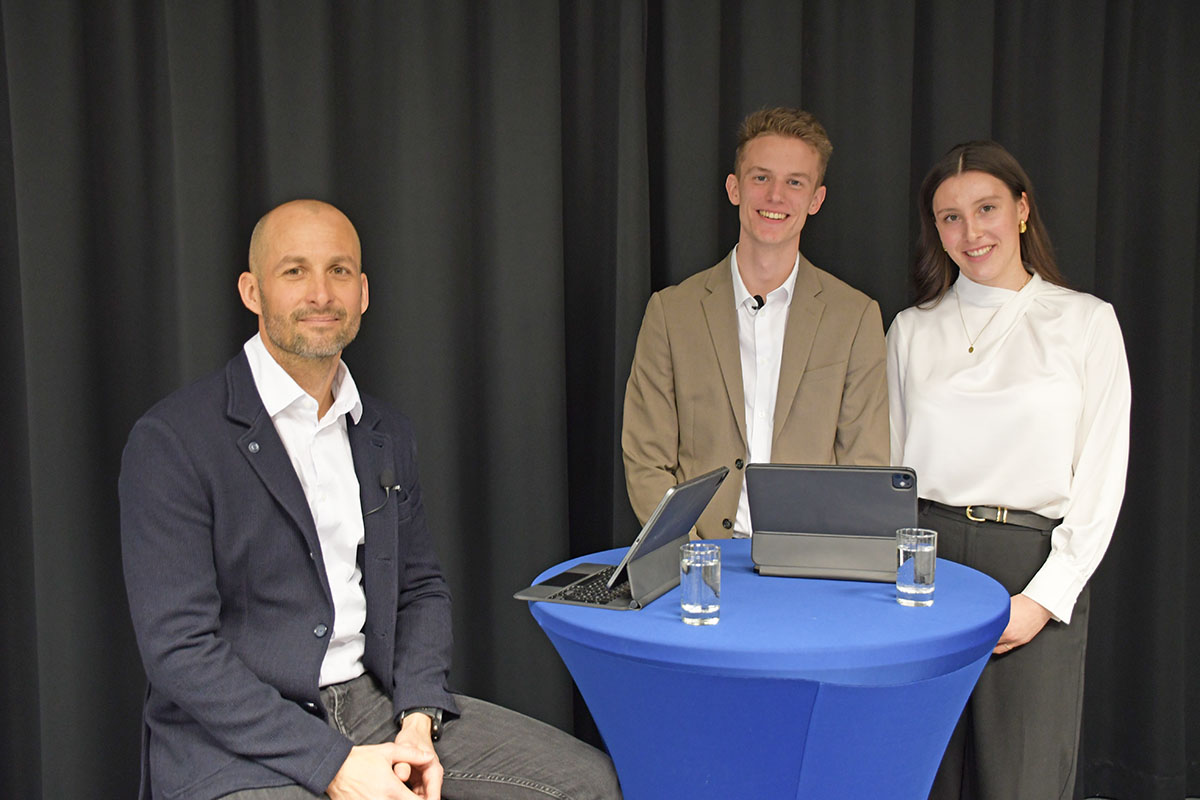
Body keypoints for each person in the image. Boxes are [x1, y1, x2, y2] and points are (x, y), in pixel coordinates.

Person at [120, 199, 622, 800]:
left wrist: (419, 718)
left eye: (338, 271)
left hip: (374, 705)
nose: (320, 294)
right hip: (233, 739)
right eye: (294, 271)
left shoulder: (385, 432)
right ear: (252, 292)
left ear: (362, 293)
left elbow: (420, 589)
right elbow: (179, 650)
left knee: (590, 785)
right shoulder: (173, 439)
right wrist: (333, 763)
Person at [886, 141, 1130, 799]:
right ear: (936, 230)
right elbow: (890, 471)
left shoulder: (1085, 322)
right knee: (923, 776)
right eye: (950, 217)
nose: (971, 232)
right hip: (927, 569)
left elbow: (1102, 478)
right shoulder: (911, 330)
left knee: (1025, 782)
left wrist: (1044, 599)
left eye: (986, 208)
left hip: (1031, 567)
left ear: (1022, 209)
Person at [622, 106, 889, 538]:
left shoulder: (855, 317)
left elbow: (865, 466)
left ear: (816, 199)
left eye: (795, 182)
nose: (775, 196)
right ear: (735, 188)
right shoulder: (671, 313)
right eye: (761, 177)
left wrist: (822, 560)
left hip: (808, 561)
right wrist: (693, 556)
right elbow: (646, 458)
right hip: (698, 556)